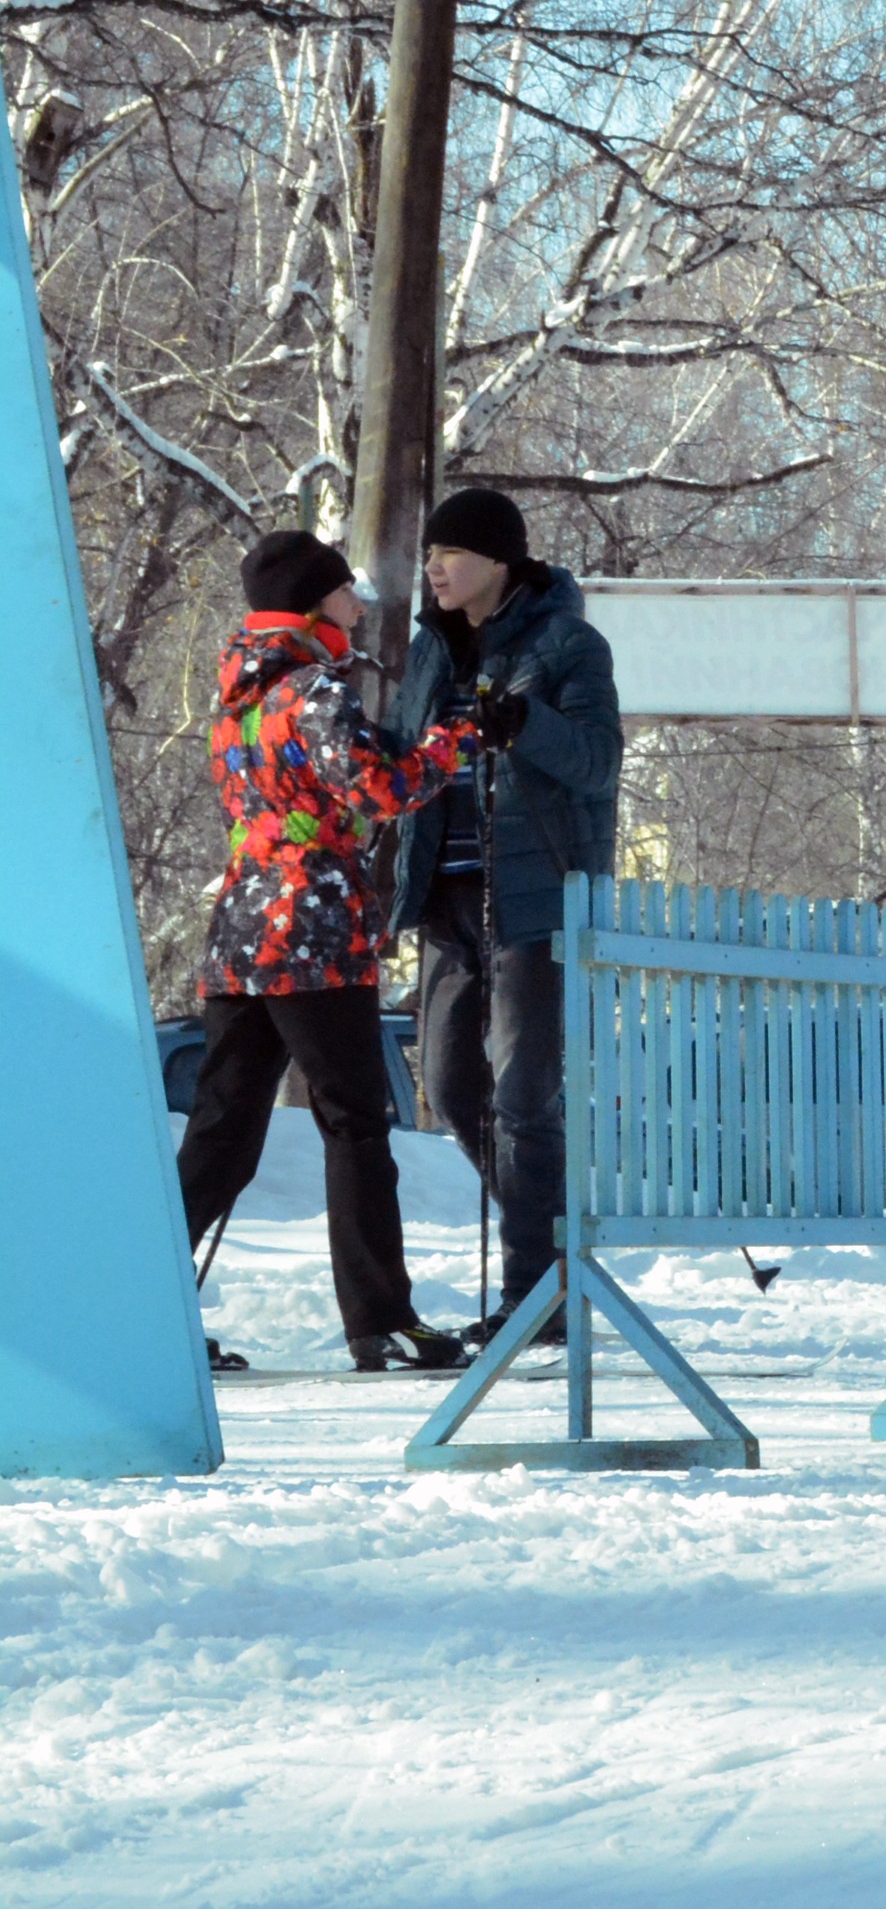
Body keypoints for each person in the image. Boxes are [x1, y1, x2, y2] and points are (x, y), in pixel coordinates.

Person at [172, 530, 472, 1371]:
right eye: (345, 594)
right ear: (313, 607)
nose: (356, 606)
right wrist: (462, 742)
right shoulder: (312, 692)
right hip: (312, 934)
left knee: (221, 1130)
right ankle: (382, 1319)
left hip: (240, 933)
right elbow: (384, 788)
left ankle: (143, 1307)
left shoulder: (233, 702)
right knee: (355, 1124)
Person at [383, 487, 618, 1348]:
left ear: (500, 561)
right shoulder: (427, 652)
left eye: (450, 553)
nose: (435, 568)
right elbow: (409, 761)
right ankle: (553, 1235)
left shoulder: (569, 645)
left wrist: (524, 724)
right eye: (431, 554)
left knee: (524, 1096)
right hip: (446, 899)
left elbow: (595, 764)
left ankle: (538, 1297)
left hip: (534, 896)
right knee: (447, 1086)